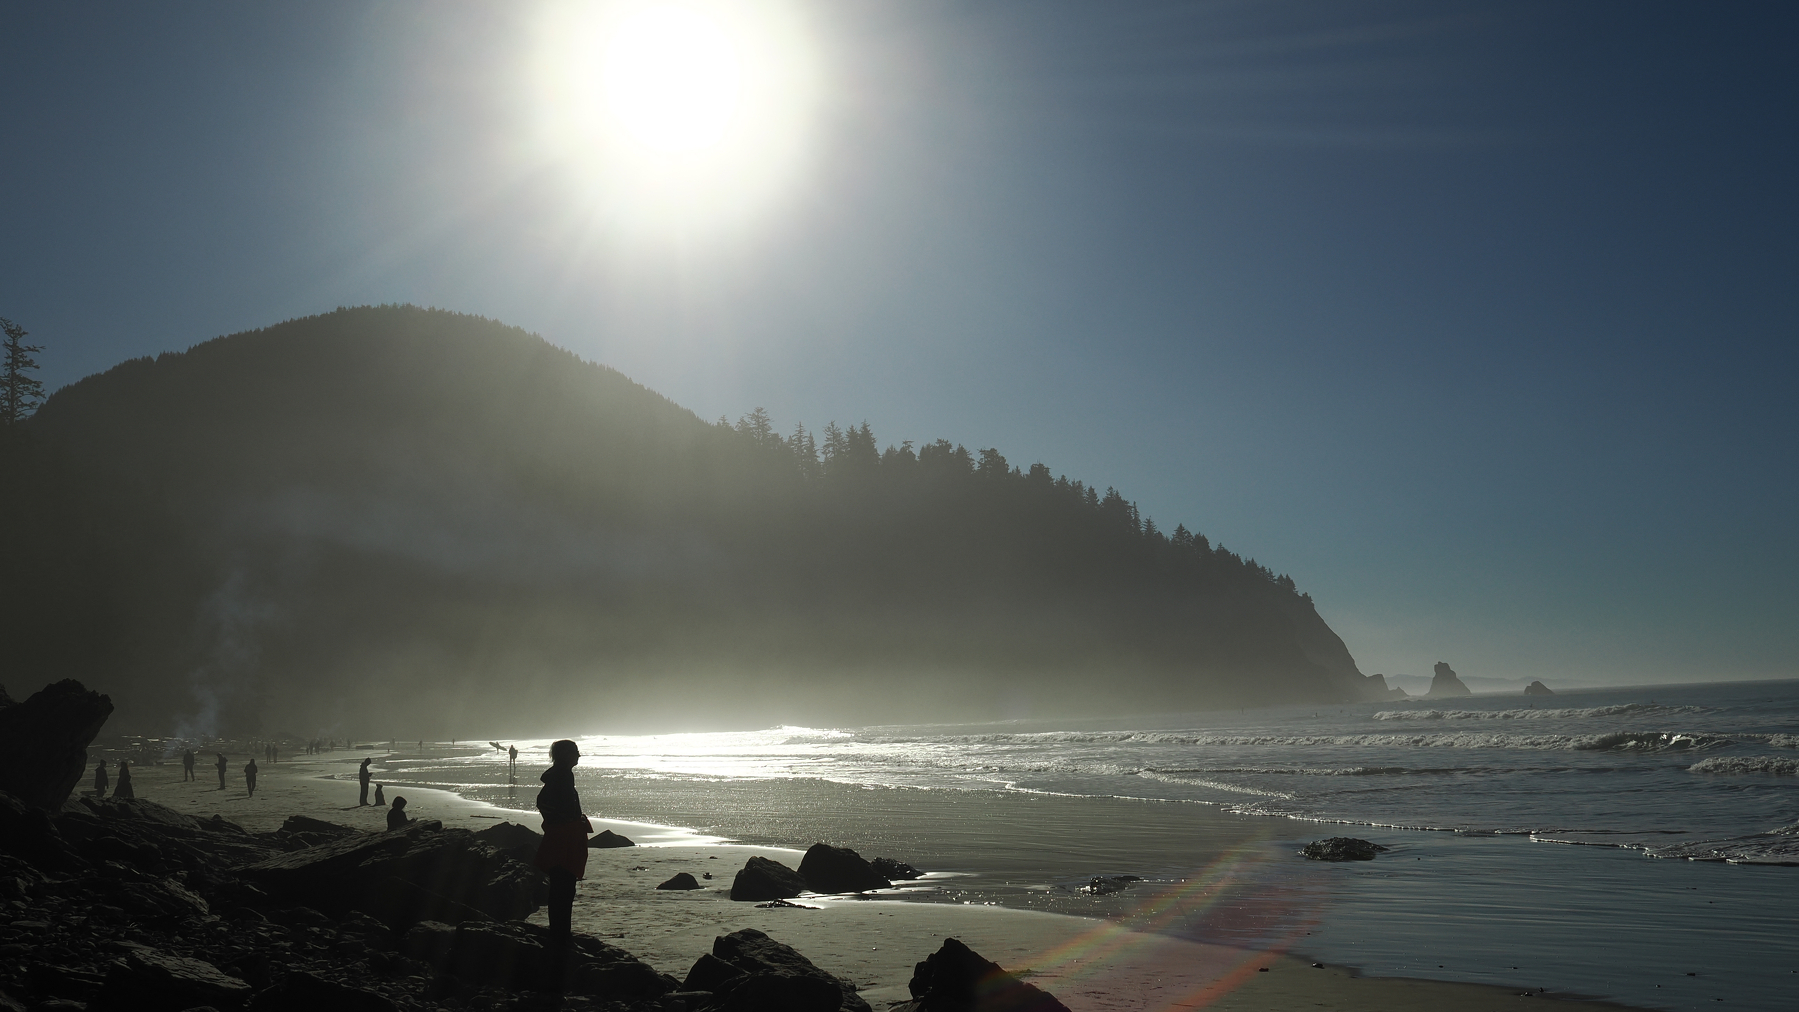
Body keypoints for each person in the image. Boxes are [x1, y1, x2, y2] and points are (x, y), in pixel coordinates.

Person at [533, 739, 591, 947]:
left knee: (561, 888)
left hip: (559, 837)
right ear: (566, 755)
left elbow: (544, 804)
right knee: (564, 889)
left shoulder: (558, 776)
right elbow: (557, 807)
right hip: (563, 840)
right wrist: (572, 820)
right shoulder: (562, 777)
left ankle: (559, 934)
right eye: (575, 752)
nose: (578, 755)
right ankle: (560, 936)